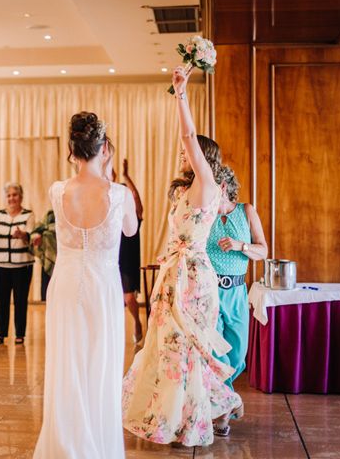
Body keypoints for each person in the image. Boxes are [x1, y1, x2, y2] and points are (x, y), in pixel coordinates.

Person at [122, 67, 243, 446]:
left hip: (194, 277)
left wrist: (181, 92)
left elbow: (188, 134)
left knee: (185, 347)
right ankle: (189, 414)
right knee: (168, 347)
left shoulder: (208, 182)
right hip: (172, 275)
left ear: (201, 157)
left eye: (186, 151)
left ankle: (207, 412)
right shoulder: (180, 190)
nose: (181, 153)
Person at [34, 112, 137, 458]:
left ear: (71, 148)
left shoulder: (57, 190)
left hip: (64, 286)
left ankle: (66, 444)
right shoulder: (119, 194)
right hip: (103, 288)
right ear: (104, 148)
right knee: (101, 366)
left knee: (67, 365)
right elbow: (131, 230)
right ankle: (97, 444)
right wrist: (108, 174)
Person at [208, 165, 267, 394]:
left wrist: (240, 245)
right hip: (209, 291)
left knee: (237, 354)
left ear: (222, 187)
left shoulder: (246, 211)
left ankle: (224, 400)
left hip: (236, 292)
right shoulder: (205, 215)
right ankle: (221, 409)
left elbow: (263, 251)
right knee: (214, 350)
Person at [0, 182, 35, 345]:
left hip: (22, 265)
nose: (11, 198)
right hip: (1, 264)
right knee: (1, 300)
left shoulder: (28, 215)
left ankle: (20, 334)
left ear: (21, 197)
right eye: (9, 195)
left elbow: (32, 236)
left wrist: (23, 235)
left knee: (21, 301)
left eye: (15, 195)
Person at [117, 158, 144, 344]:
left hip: (128, 262)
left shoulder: (133, 216)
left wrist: (126, 176)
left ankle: (137, 322)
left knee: (128, 298)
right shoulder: (111, 216)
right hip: (112, 261)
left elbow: (135, 197)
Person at [30, 210, 56, 302]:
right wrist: (37, 237)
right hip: (48, 263)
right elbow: (35, 232)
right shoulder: (50, 215)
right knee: (46, 298)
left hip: (68, 263)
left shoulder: (73, 214)